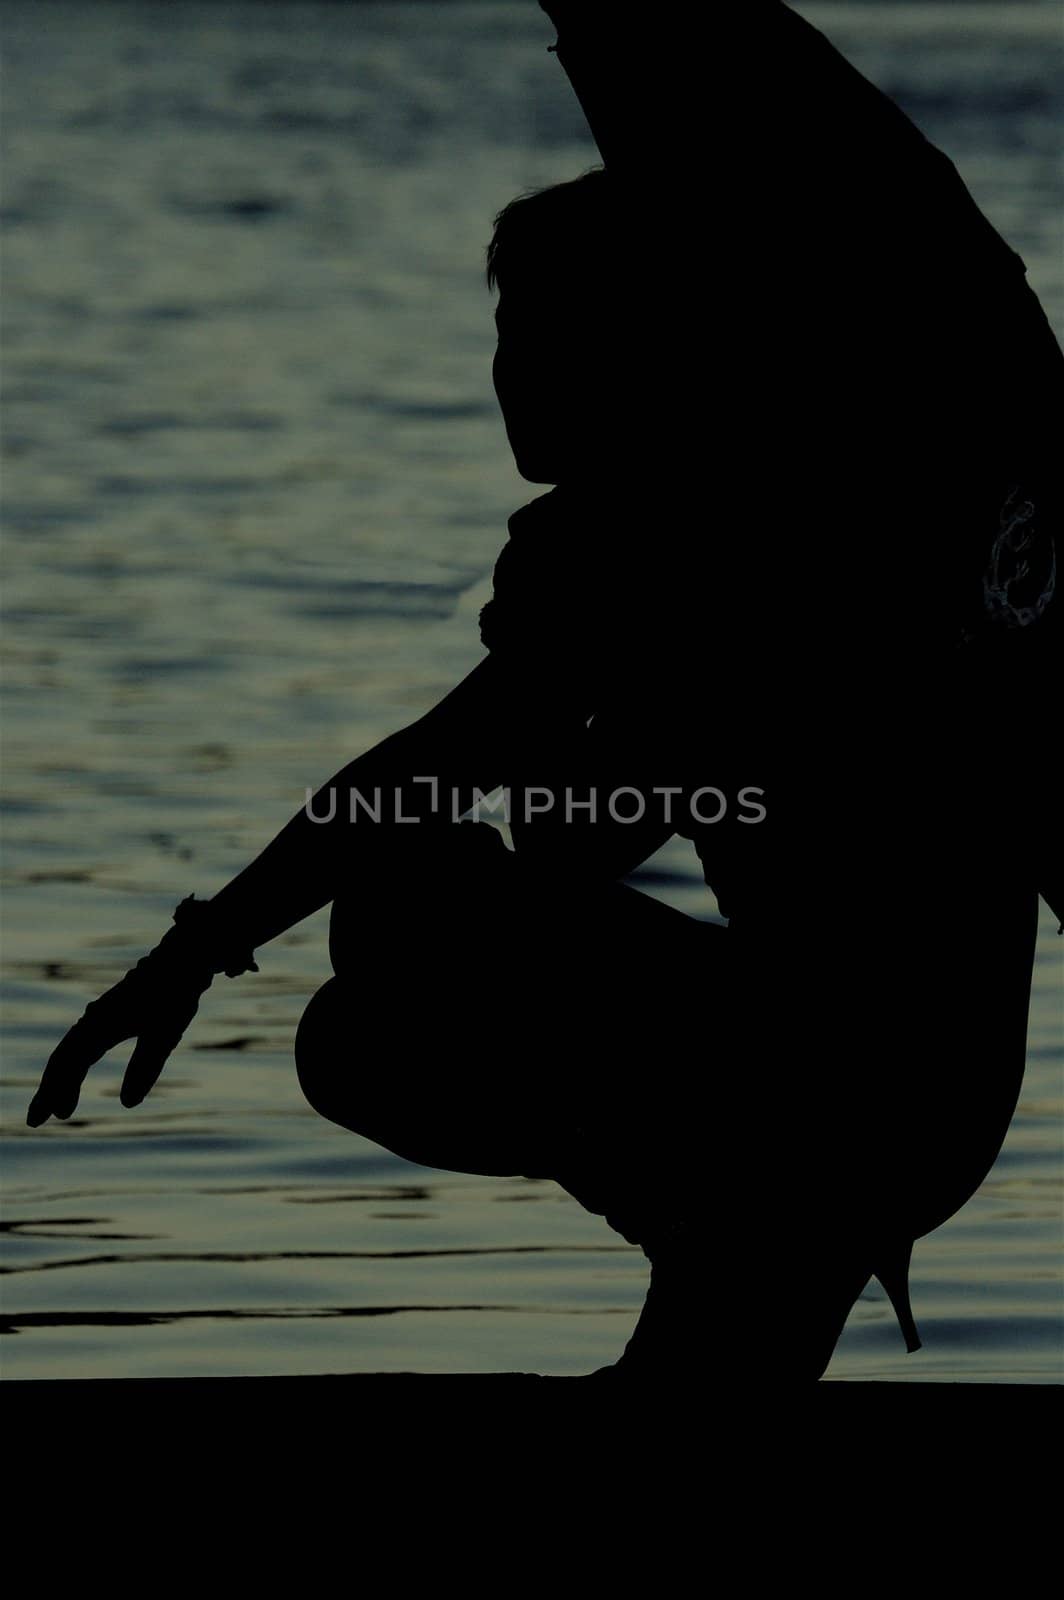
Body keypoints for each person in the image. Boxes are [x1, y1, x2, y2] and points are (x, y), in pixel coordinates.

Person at [27, 1, 1062, 1384]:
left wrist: (587, 771)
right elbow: (485, 772)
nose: (508, 371)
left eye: (535, 334)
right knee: (389, 951)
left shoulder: (691, 535)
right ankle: (728, 1278)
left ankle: (742, 1236)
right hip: (912, 1089)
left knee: (397, 936)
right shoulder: (695, 527)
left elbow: (517, 792)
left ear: (637, 362)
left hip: (855, 1084)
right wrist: (202, 946)